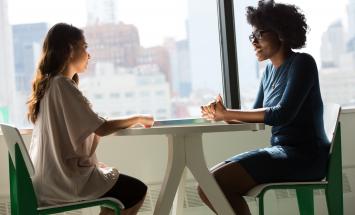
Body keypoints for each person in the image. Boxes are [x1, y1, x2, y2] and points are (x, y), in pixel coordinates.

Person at [198, 1, 330, 214]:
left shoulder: (303, 63)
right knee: (207, 185)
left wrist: (228, 113)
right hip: (281, 152)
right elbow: (255, 117)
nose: (254, 42)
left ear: (281, 32)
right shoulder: (268, 72)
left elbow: (282, 114)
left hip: (306, 156)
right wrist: (220, 114)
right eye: (252, 36)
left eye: (259, 34)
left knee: (214, 184)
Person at [27, 23, 154, 215]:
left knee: (117, 196)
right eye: (84, 47)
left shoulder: (49, 86)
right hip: (64, 181)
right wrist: (137, 118)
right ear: (70, 49)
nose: (89, 54)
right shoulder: (61, 85)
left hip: (49, 179)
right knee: (136, 191)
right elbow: (100, 128)